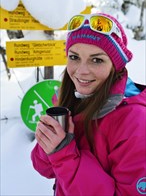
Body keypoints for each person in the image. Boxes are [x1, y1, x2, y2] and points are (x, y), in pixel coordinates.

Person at [31, 13, 146, 196]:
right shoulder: (71, 98)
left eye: (97, 59)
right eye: (74, 57)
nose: (81, 72)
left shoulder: (135, 122)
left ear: (116, 66)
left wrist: (64, 155)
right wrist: (50, 144)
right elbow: (45, 169)